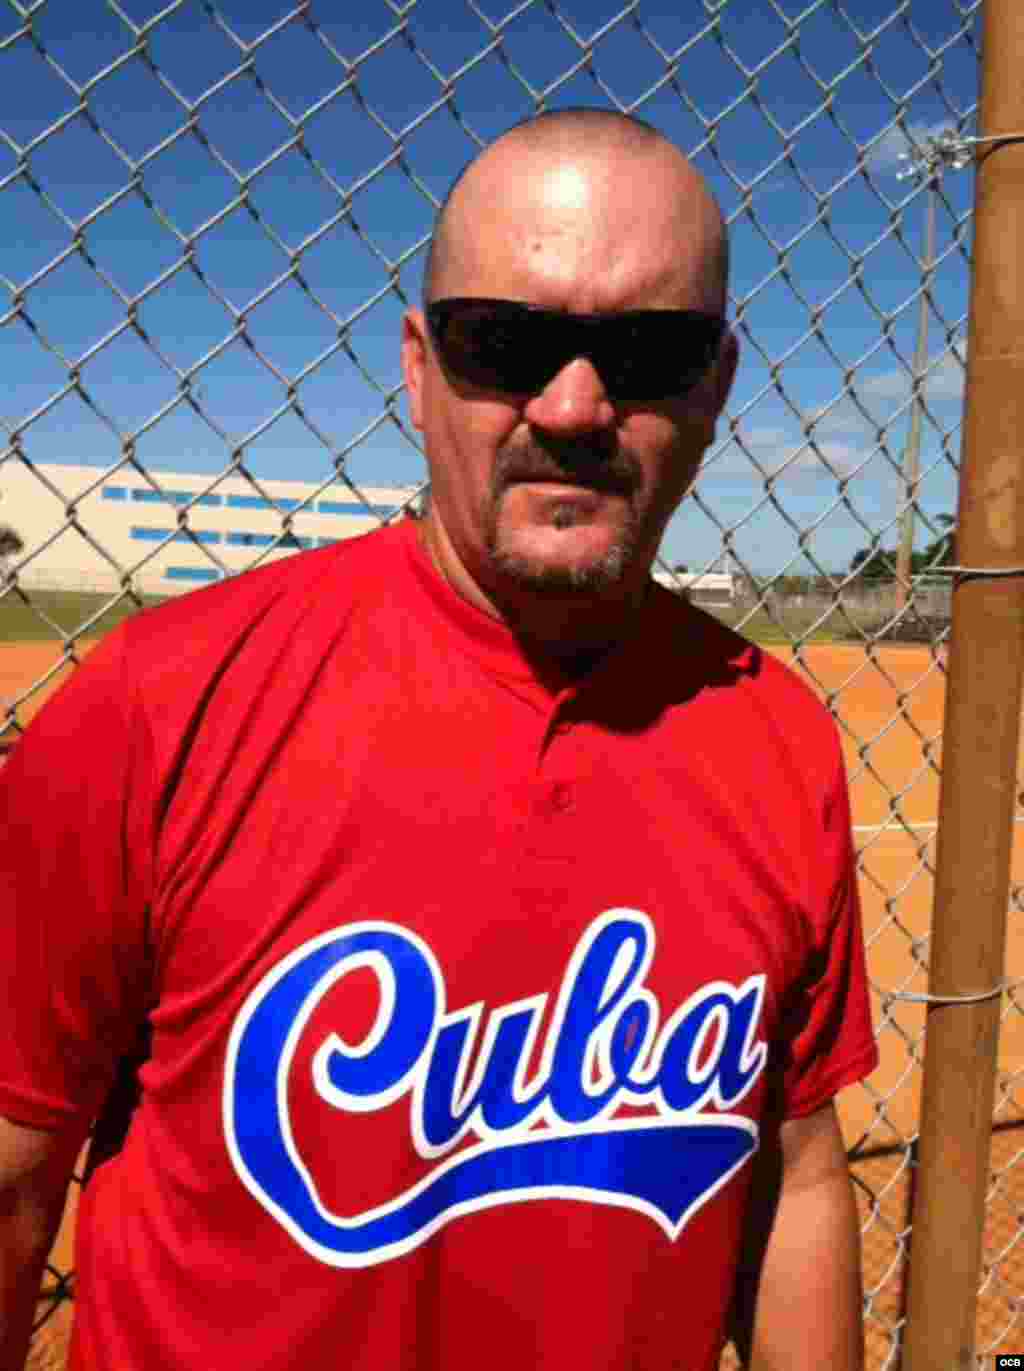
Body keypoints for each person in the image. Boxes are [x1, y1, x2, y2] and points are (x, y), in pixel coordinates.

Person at [0, 108, 877, 1371]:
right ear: (418, 368)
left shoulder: (777, 738)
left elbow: (794, 1170)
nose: (572, 406)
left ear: (717, 382)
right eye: (504, 342)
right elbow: (13, 1173)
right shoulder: (158, 704)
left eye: (648, 352)